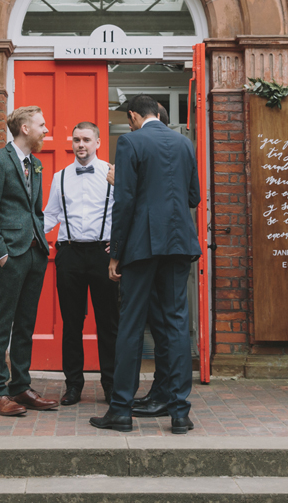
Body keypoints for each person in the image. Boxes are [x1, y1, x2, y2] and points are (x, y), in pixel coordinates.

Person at [91, 94, 201, 435]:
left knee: (131, 324)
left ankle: (121, 410)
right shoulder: (185, 145)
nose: (130, 125)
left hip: (141, 244)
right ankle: (179, 412)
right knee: (176, 324)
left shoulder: (131, 142)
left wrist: (115, 253)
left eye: (130, 120)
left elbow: (124, 202)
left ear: (135, 116)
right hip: (180, 243)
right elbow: (194, 197)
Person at [0, 106, 60, 417]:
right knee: (3, 324)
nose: (46, 130)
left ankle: (20, 387)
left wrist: (42, 243)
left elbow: (35, 210)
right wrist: (0, 255)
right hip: (9, 256)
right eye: (41, 125)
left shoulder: (36, 164)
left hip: (36, 253)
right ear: (25, 128)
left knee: (26, 324)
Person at [43, 121, 118, 406]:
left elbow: (122, 211)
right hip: (70, 254)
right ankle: (73, 385)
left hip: (103, 254)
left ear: (98, 142)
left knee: (109, 323)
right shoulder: (61, 176)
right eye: (76, 140)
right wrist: (27, 235)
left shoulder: (112, 174)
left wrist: (118, 247)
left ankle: (110, 384)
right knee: (71, 323)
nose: (81, 145)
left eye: (86, 139)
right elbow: (50, 216)